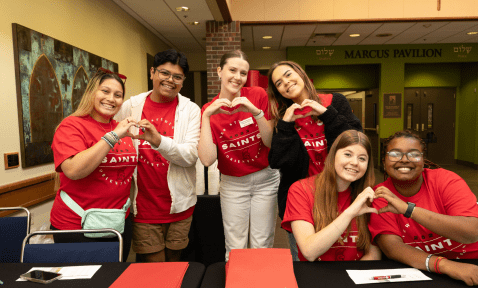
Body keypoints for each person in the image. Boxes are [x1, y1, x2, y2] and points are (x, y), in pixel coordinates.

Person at [369, 130, 478, 286]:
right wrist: (445, 265)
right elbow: (392, 248)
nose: (404, 160)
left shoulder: (445, 180)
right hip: (432, 269)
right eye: (395, 154)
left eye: (414, 154)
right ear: (384, 162)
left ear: (423, 161)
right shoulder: (381, 195)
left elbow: (472, 233)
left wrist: (407, 209)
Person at [267, 61, 363, 260]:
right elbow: (277, 161)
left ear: (300, 74)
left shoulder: (334, 102)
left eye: (288, 75)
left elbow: (356, 142)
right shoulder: (285, 117)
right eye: (278, 83)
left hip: (341, 194)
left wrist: (325, 114)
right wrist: (286, 125)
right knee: (304, 262)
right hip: (303, 201)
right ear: (279, 92)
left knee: (344, 255)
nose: (286, 82)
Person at [114, 49, 200, 262]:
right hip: (144, 207)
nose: (170, 80)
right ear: (152, 72)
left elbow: (190, 155)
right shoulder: (130, 107)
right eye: (164, 73)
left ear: (183, 81)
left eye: (177, 77)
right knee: (155, 270)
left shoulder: (190, 110)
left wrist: (158, 140)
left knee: (175, 264)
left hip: (179, 205)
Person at [198, 50, 279, 261]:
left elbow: (270, 141)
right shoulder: (208, 109)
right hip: (233, 184)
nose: (237, 77)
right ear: (219, 71)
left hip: (266, 179)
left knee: (262, 243)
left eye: (243, 73)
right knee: (235, 246)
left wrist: (256, 112)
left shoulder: (258, 95)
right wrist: (207, 116)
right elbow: (207, 160)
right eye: (232, 70)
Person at [50, 68, 137, 260]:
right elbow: (73, 170)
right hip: (76, 225)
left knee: (115, 278)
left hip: (118, 224)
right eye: (105, 91)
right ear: (91, 93)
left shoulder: (121, 128)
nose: (111, 99)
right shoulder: (71, 125)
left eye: (118, 95)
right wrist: (112, 137)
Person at [281, 130, 381, 261]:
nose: (355, 162)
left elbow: (374, 252)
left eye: (362, 158)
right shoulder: (301, 190)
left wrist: (351, 277)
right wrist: (350, 212)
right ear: (333, 156)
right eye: (348, 154)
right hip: (316, 275)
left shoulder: (369, 195)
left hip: (356, 274)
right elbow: (309, 251)